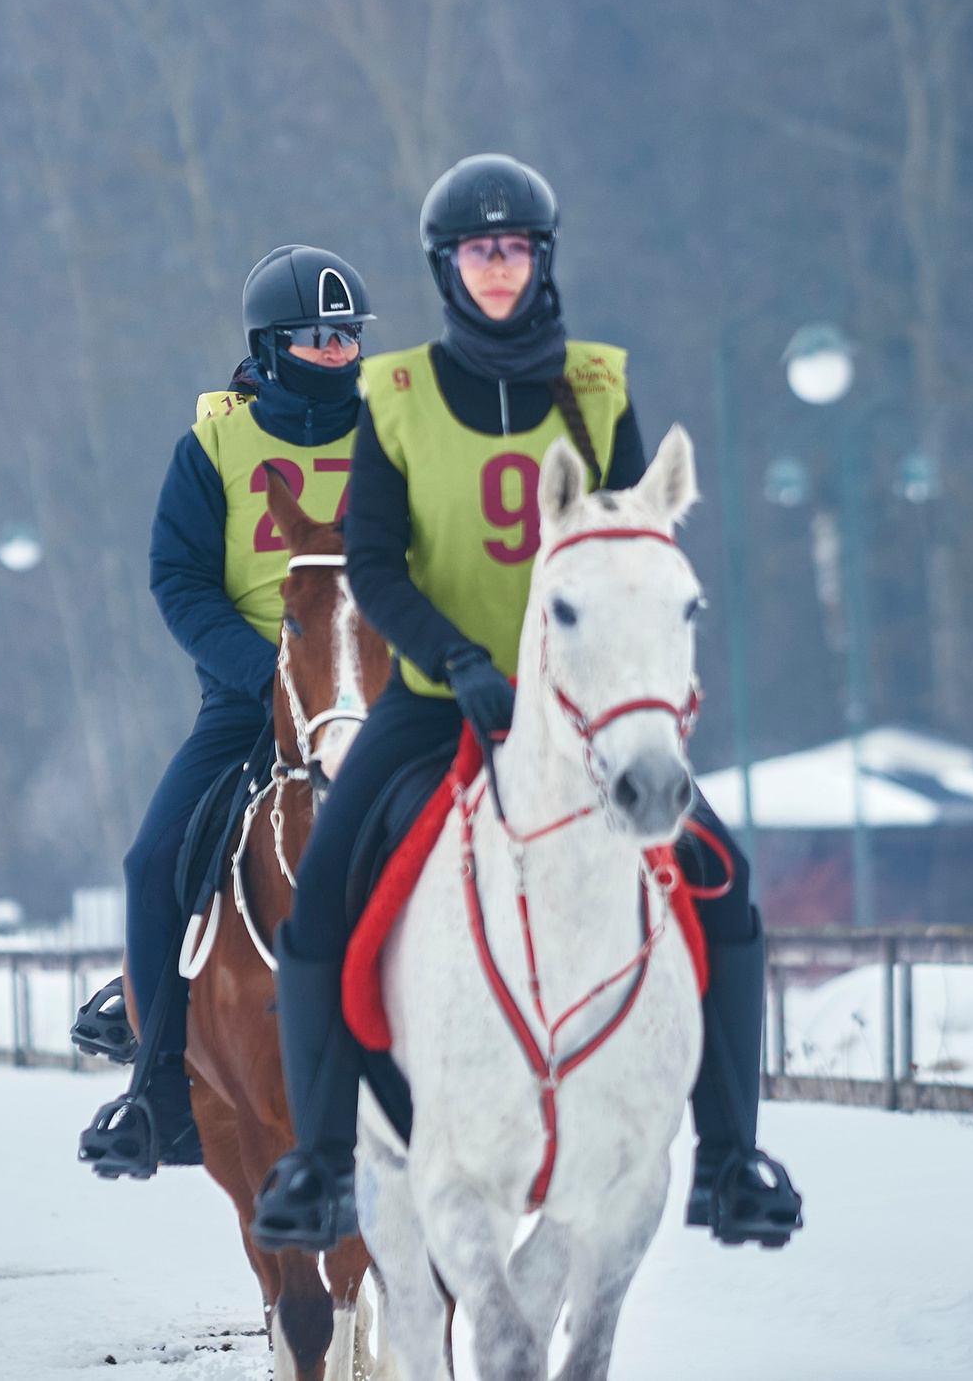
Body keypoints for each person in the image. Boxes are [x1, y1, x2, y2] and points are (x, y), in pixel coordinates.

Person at [248, 154, 805, 1251]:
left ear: (539, 261)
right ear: (445, 267)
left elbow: (636, 545)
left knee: (724, 887)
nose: (494, 269)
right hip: (436, 698)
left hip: (584, 710)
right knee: (320, 906)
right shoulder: (396, 394)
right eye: (474, 251)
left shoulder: (596, 386)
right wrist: (456, 661)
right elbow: (372, 561)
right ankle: (320, 1164)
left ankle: (731, 1158)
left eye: (513, 249)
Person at [77, 244, 376, 1179]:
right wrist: (269, 674)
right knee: (155, 856)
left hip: (379, 698)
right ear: (270, 346)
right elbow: (179, 580)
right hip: (251, 699)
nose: (336, 353)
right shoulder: (210, 450)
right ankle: (158, 1087)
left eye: (346, 337)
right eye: (316, 339)